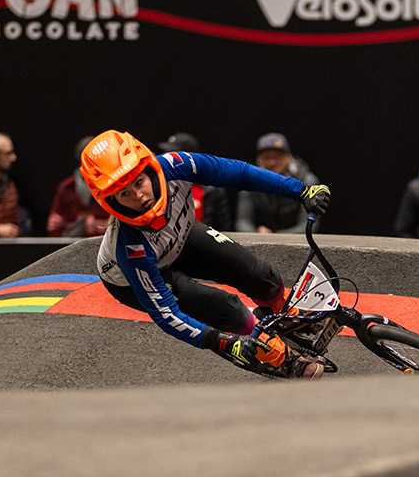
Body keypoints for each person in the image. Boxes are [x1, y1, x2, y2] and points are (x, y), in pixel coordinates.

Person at [80, 130, 332, 379]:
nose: (140, 196)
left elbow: (237, 173)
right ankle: (278, 356)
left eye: (139, 182)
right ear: (110, 202)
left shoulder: (176, 165)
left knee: (262, 275)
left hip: (180, 236)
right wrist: (219, 340)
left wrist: (300, 191)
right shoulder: (129, 247)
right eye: (124, 193)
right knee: (227, 308)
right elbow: (167, 315)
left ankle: (285, 317)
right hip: (133, 278)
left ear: (148, 168)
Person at [236, 133, 319, 233]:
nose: (272, 163)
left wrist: (273, 236)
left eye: (277, 157)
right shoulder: (250, 181)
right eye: (266, 157)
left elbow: (310, 225)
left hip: (295, 241)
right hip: (260, 238)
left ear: (289, 157)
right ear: (258, 159)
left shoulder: (306, 181)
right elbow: (242, 221)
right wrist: (257, 234)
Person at [158, 132, 233, 230]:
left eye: (173, 157)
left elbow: (224, 229)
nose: (168, 160)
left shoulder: (212, 191)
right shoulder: (160, 186)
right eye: (166, 155)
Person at [47, 136, 110, 237]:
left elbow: (123, 220)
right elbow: (54, 225)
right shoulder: (67, 187)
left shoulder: (111, 185)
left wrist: (101, 225)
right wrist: (59, 224)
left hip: (104, 241)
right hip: (73, 242)